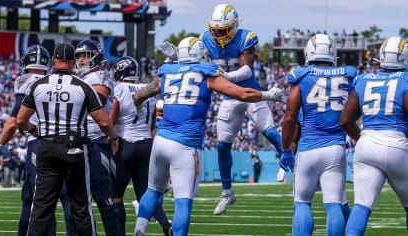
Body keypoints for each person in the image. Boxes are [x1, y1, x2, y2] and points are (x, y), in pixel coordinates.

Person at [131, 37, 282, 236]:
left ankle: (139, 230)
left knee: (152, 190)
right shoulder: (207, 74)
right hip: (184, 145)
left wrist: (139, 108)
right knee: (183, 201)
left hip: (160, 140)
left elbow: (138, 96)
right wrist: (268, 95)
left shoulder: (166, 73)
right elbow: (243, 94)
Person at [16, 42, 119, 236]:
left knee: (41, 206)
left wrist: (34, 131)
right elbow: (103, 122)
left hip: (46, 146)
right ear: (73, 62)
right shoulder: (83, 86)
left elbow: (21, 120)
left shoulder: (38, 85)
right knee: (81, 206)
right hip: (74, 147)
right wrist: (114, 136)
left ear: (53, 60)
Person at [200, 3, 283, 215]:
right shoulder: (205, 40)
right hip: (229, 97)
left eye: (223, 30)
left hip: (251, 92)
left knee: (271, 132)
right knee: (221, 146)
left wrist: (227, 77)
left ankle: (289, 162)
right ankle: (227, 193)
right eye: (215, 30)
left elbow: (246, 70)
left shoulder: (245, 38)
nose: (218, 34)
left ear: (234, 27)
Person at [0, 44, 75, 236]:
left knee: (43, 200)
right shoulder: (57, 79)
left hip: (39, 143)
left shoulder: (26, 81)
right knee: (31, 196)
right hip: (64, 141)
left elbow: (14, 121)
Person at [281, 34, 356, 236]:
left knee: (302, 203)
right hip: (335, 148)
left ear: (308, 53)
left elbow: (290, 117)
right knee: (334, 204)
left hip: (308, 148)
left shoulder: (302, 75)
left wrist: (286, 149)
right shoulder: (347, 75)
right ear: (332, 54)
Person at [340, 37, 408, 236]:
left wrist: (362, 138)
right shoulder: (404, 80)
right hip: (396, 145)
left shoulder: (364, 79)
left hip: (367, 144)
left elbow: (345, 120)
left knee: (361, 205)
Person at [109, 56, 172, 236]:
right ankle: (166, 224)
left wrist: (110, 138)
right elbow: (152, 126)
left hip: (125, 145)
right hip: (145, 145)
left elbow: (113, 118)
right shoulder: (148, 91)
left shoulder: (120, 88)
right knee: (145, 195)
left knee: (116, 196)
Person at [75, 39, 119, 235]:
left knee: (104, 199)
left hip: (98, 141)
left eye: (86, 56)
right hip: (81, 142)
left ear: (96, 57)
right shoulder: (80, 79)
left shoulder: (100, 76)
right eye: (79, 56)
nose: (82, 60)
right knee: (78, 201)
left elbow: (97, 102)